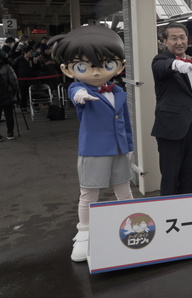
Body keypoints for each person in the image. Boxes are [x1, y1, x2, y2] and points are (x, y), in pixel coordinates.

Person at [48, 25, 134, 263]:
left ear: (121, 66)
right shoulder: (79, 88)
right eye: (84, 66)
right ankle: (84, 233)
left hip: (119, 148)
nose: (96, 72)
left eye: (106, 64)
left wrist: (129, 146)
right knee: (89, 193)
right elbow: (74, 91)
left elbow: (126, 123)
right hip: (94, 150)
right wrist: (78, 96)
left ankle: (130, 224)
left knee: (124, 188)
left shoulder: (119, 92)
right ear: (68, 70)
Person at [151, 22, 192, 196]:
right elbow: (162, 67)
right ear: (165, 42)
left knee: (188, 177)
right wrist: (175, 65)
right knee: (170, 178)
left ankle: (186, 215)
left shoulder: (191, 63)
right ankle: (168, 216)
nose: (179, 42)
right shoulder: (160, 60)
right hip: (171, 130)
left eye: (182, 38)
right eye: (174, 38)